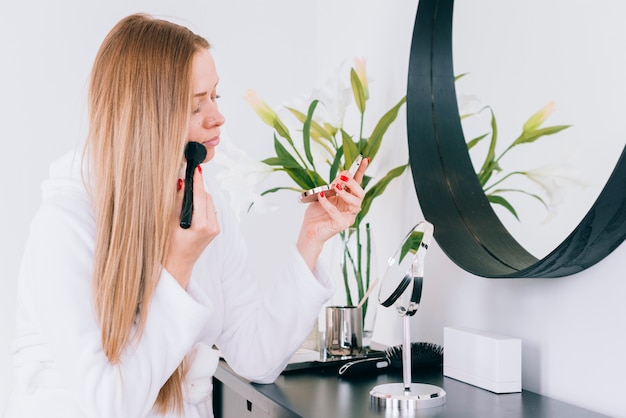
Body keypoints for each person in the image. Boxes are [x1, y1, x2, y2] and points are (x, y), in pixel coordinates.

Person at [5, 13, 369, 418]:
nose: (217, 117)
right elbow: (109, 406)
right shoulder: (64, 227)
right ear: (148, 118)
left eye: (216, 96)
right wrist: (177, 270)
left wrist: (310, 241)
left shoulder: (206, 210)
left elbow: (256, 358)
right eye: (197, 105)